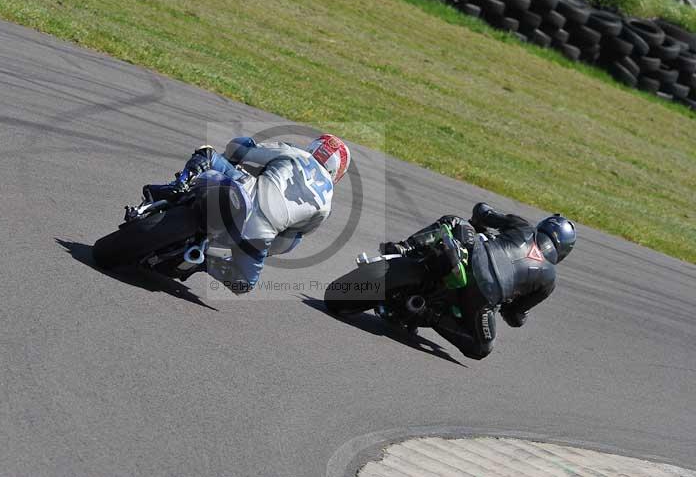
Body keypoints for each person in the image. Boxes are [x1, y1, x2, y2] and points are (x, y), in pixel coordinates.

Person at [147, 134, 350, 294]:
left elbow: (243, 150)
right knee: (243, 284)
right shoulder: (326, 205)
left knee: (207, 153)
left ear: (314, 147)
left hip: (244, 189)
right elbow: (289, 241)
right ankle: (204, 262)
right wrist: (263, 247)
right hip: (260, 234)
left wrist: (232, 158)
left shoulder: (295, 153)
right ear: (337, 172)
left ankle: (177, 187)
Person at [379, 203, 576, 360]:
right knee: (481, 348)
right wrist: (520, 315)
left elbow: (483, 210)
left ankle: (405, 248)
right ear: (564, 251)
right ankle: (429, 314)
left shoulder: (523, 226)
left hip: (473, 256)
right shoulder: (549, 281)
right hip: (483, 297)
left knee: (454, 221)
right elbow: (514, 315)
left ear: (543, 226)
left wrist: (477, 223)